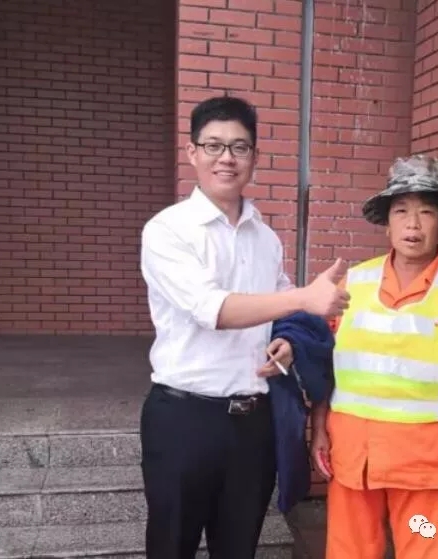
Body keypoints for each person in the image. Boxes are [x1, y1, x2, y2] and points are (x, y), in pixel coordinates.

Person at [138, 95, 349, 559]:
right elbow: (211, 309)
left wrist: (287, 342)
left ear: (254, 156)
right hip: (183, 419)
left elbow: (280, 311)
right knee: (171, 546)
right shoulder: (167, 230)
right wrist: (304, 298)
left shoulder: (265, 237)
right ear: (192, 152)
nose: (226, 158)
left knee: (239, 548)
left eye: (239, 147)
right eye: (213, 145)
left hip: (253, 423)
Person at [310, 154, 438, 559]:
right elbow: (325, 365)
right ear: (387, 223)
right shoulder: (353, 283)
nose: (413, 225)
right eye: (401, 211)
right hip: (354, 457)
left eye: (427, 212)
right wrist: (318, 429)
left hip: (428, 465)